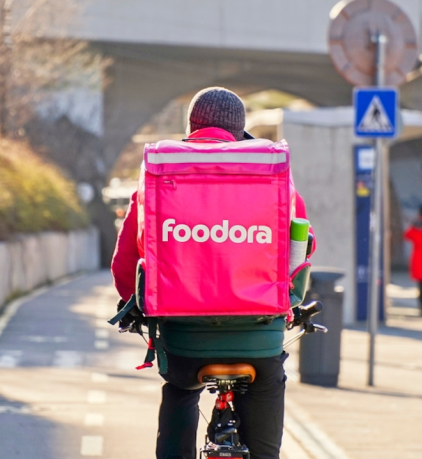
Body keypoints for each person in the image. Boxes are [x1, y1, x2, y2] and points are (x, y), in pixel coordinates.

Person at [111, 87, 313, 459]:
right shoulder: (272, 173)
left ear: (191, 126)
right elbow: (303, 248)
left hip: (184, 340)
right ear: (240, 131)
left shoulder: (161, 172)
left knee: (179, 390)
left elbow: (126, 261)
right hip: (259, 338)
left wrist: (133, 305)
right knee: (269, 383)